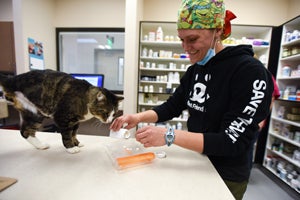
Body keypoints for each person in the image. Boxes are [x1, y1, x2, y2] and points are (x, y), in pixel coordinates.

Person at [110, 0, 274, 199]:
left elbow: (231, 141)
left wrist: (169, 135)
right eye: (182, 39)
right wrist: (137, 117)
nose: (185, 48)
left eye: (193, 39)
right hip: (196, 160)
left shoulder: (249, 72)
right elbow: (173, 105)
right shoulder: (195, 70)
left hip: (227, 174)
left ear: (218, 31)